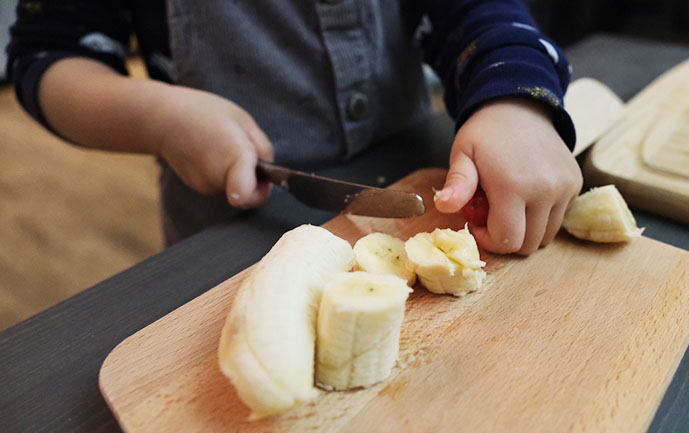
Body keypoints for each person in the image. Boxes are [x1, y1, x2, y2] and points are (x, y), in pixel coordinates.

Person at [6, 0, 581, 254]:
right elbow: (46, 57)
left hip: (417, 198)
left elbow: (481, 11)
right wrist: (157, 118)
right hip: (226, 234)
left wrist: (515, 102)